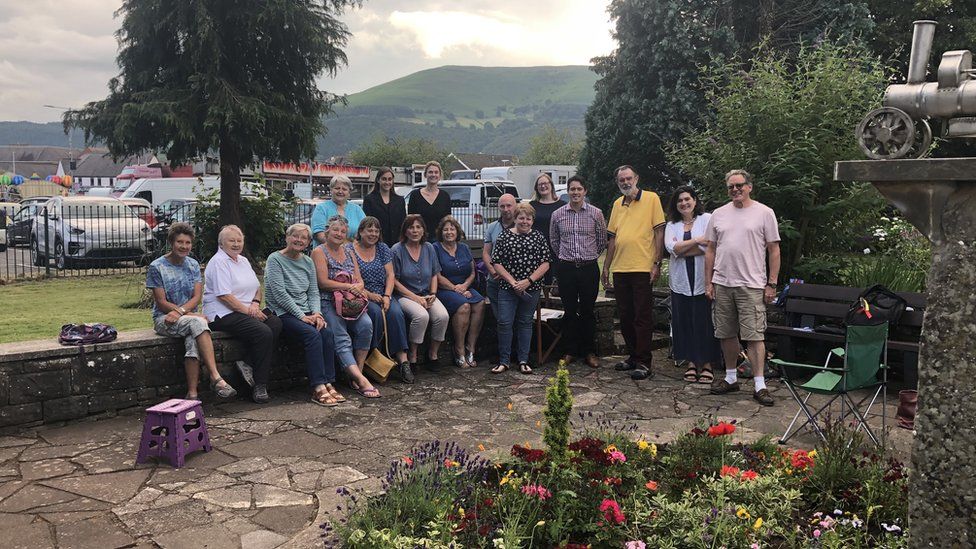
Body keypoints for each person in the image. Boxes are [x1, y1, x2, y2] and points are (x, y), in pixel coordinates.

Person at [704, 169, 781, 407]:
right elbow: (710, 250)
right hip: (723, 283)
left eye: (739, 185)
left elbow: (774, 249)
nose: (735, 190)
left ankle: (759, 384)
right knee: (726, 333)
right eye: (731, 187)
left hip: (752, 284)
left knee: (754, 336)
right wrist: (708, 281)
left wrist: (772, 283)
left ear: (749, 186)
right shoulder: (718, 214)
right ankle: (730, 378)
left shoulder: (764, 213)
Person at [146, 222, 237, 400]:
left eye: (188, 243)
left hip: (189, 318)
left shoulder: (193, 265)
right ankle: (215, 377)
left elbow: (196, 297)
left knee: (192, 341)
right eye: (180, 242)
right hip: (165, 318)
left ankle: (193, 394)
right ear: (171, 243)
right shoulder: (157, 267)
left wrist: (183, 313)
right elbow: (161, 302)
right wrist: (186, 313)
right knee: (198, 322)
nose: (184, 246)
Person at [264, 223, 345, 406]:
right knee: (311, 334)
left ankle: (329, 382)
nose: (299, 240)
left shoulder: (307, 261)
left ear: (308, 242)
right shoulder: (275, 259)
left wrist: (317, 313)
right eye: (295, 236)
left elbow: (313, 292)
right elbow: (279, 294)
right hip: (284, 312)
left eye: (304, 238)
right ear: (287, 237)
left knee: (326, 333)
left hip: (307, 312)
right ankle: (318, 386)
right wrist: (301, 315)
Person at [203, 225, 283, 404]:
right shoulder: (219, 262)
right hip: (222, 313)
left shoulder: (243, 260)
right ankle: (260, 385)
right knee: (263, 332)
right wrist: (251, 313)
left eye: (239, 240)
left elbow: (257, 287)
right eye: (231, 240)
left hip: (246, 310)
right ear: (221, 243)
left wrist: (255, 303)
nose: (236, 244)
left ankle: (247, 363)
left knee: (276, 323)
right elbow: (224, 296)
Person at [601, 165, 666, 381]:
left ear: (636, 178)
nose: (626, 182)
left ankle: (644, 362)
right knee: (626, 316)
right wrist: (606, 266)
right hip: (620, 268)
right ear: (617, 182)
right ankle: (632, 356)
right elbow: (613, 238)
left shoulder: (651, 198)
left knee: (642, 317)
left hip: (642, 267)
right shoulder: (617, 204)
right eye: (622, 180)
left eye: (629, 178)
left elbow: (659, 232)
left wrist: (657, 263)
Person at [311, 215, 379, 398]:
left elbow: (359, 279)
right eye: (335, 230)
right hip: (329, 301)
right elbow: (322, 282)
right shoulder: (319, 252)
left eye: (343, 231)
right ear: (327, 231)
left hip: (351, 301)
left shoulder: (349, 251)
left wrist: (359, 286)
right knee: (341, 336)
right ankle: (361, 380)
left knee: (366, 326)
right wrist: (348, 286)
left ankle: (357, 372)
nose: (339, 234)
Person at [664, 185, 721, 384]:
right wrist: (698, 241)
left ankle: (706, 364)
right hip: (680, 281)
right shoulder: (672, 225)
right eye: (680, 200)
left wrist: (684, 249)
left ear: (695, 200)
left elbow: (712, 247)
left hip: (703, 279)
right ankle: (690, 362)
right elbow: (672, 248)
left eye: (687, 199)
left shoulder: (707, 219)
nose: (684, 203)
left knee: (704, 322)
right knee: (685, 322)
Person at [549, 176, 606, 369]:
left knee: (588, 311)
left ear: (585, 191)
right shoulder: (557, 214)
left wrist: (588, 255)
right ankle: (570, 351)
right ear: (568, 191)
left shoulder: (596, 213)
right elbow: (554, 241)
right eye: (572, 189)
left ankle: (589, 351)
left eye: (579, 189)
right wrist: (566, 257)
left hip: (589, 268)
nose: (575, 192)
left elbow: (601, 241)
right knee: (569, 310)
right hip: (567, 268)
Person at [347, 216, 413, 383]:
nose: (373, 234)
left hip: (384, 293)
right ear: (361, 231)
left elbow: (390, 275)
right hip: (362, 294)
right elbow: (353, 279)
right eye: (369, 230)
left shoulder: (382, 248)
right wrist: (369, 295)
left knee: (396, 313)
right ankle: (373, 360)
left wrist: (387, 296)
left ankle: (403, 361)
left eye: (376, 231)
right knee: (375, 313)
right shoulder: (350, 250)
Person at [490, 202, 551, 375]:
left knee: (525, 323)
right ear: (515, 219)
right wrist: (513, 282)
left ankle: (523, 360)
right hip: (507, 288)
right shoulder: (504, 236)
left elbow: (546, 263)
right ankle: (504, 361)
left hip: (531, 288)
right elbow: (497, 262)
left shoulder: (538, 237)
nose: (525, 221)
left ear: (533, 220)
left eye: (528, 219)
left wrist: (528, 281)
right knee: (504, 322)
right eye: (521, 218)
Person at [391, 214, 449, 370]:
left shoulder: (429, 248)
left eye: (418, 227)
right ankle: (413, 356)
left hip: (427, 293)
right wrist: (415, 298)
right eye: (411, 227)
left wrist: (433, 294)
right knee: (421, 316)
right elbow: (394, 281)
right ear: (405, 231)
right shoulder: (397, 250)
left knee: (442, 316)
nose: (415, 231)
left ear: (423, 230)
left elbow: (434, 273)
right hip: (404, 295)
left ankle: (433, 355)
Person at [433, 216, 486, 368]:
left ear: (457, 231)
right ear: (441, 232)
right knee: (464, 307)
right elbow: (437, 276)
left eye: (452, 229)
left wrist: (465, 286)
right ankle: (459, 349)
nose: (449, 232)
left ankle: (471, 347)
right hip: (445, 289)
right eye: (445, 229)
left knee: (480, 303)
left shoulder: (464, 248)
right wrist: (457, 289)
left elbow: (472, 272)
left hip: (465, 287)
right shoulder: (435, 248)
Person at [483, 193, 517, 317]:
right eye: (502, 206)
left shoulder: (522, 225)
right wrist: (493, 272)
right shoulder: (492, 227)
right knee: (501, 319)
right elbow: (486, 253)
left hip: (516, 280)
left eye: (509, 205)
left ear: (515, 206)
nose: (506, 209)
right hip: (495, 280)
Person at [529, 173, 566, 284]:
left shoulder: (562, 205)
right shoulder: (532, 205)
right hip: (537, 249)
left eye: (545, 183)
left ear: (551, 185)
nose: (543, 186)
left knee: (556, 283)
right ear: (536, 188)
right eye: (540, 184)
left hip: (557, 249)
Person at [311, 175, 366, 242]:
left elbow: (365, 230)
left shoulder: (357, 209)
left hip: (353, 247)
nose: (340, 191)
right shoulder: (321, 208)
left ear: (349, 192)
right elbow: (319, 234)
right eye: (337, 188)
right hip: (326, 248)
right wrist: (339, 245)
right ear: (331, 190)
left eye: (344, 189)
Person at [407, 161, 451, 241]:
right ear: (425, 175)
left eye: (436, 172)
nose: (433, 175)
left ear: (440, 175)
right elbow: (411, 220)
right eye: (430, 172)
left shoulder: (445, 196)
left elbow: (447, 221)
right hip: (420, 240)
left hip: (440, 241)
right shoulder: (415, 195)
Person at [362, 167, 407, 247]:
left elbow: (403, 223)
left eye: (390, 179)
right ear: (378, 180)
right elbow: (367, 223)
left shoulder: (400, 200)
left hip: (397, 244)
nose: (387, 182)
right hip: (376, 243)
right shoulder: (369, 200)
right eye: (384, 179)